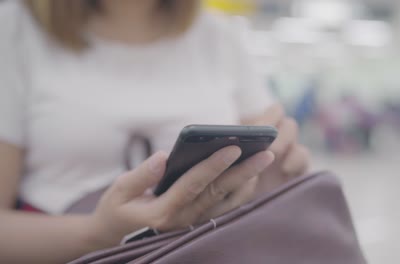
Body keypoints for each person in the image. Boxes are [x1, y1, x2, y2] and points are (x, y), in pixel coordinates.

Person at [0, 0, 310, 263]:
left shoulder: (219, 34)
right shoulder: (15, 28)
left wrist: (270, 174)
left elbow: (270, 147)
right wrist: (97, 234)